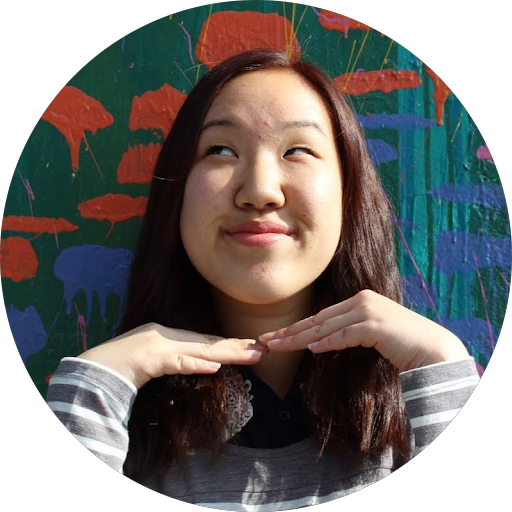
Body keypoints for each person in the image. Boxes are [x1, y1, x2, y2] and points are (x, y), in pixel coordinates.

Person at [46, 49, 480, 508]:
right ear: (176, 193)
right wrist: (92, 390)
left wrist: (442, 366)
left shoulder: (422, 407)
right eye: (221, 150)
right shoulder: (114, 422)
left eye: (297, 150)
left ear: (348, 194)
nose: (259, 191)